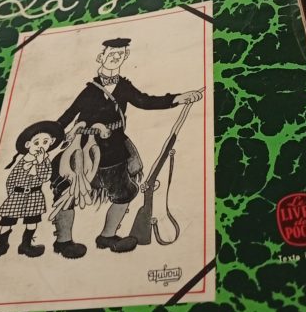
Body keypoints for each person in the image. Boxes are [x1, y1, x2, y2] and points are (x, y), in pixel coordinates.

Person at [50, 37, 202, 258]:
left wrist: (178, 98)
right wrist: (48, 136)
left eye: (120, 55)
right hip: (82, 150)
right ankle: (64, 241)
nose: (116, 58)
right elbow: (68, 115)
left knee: (123, 193)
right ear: (101, 57)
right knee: (67, 192)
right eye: (112, 55)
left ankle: (108, 236)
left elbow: (145, 101)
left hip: (114, 150)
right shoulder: (90, 91)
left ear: (125, 57)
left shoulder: (124, 87)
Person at [0, 120, 65, 262]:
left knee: (32, 221)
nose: (41, 146)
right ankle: (2, 246)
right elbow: (11, 179)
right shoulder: (23, 160)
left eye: (45, 142)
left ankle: (26, 245)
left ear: (51, 142)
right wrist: (11, 194)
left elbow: (45, 177)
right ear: (28, 145)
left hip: (34, 195)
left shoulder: (45, 161)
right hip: (17, 195)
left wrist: (40, 162)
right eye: (37, 143)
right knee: (7, 221)